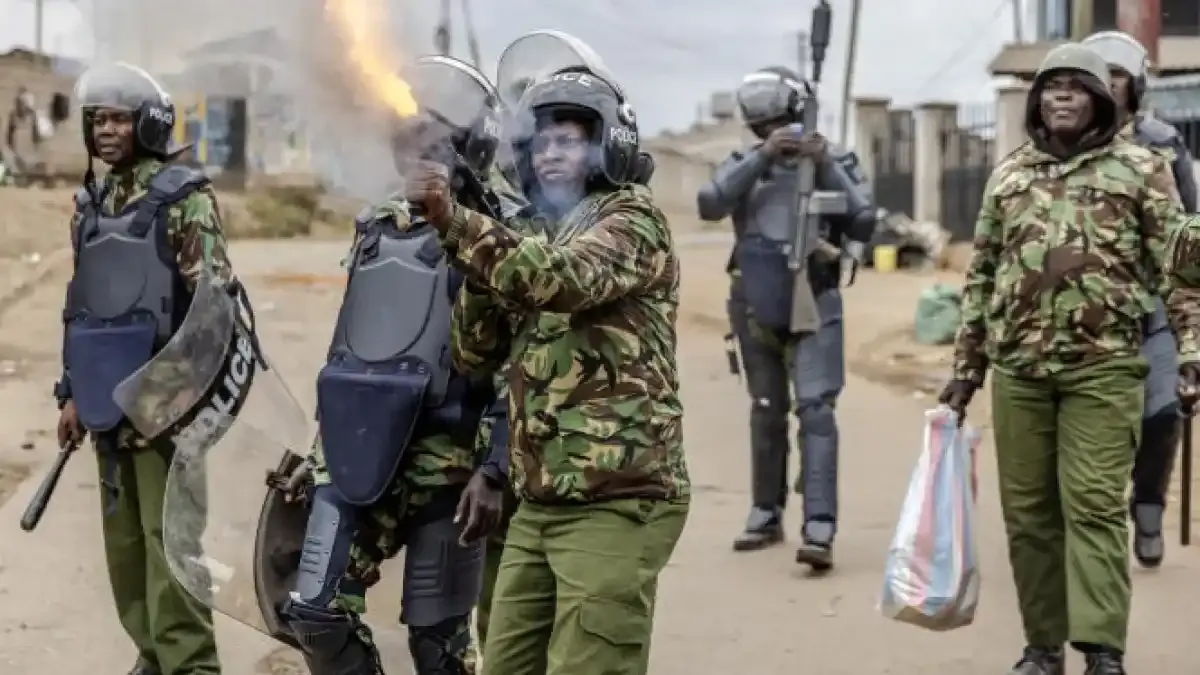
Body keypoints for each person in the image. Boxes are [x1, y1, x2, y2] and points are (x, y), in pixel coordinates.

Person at [402, 36, 690, 675]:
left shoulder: (632, 218)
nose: (551, 153)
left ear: (607, 143)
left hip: (617, 495)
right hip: (541, 499)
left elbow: (565, 278)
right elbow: (475, 348)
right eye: (540, 142)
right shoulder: (532, 230)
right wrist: (474, 243)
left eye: (569, 139)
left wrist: (460, 224)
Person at [939, 43, 1200, 675]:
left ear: (1102, 101)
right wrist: (965, 371)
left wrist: (1190, 350)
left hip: (1105, 367)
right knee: (1029, 517)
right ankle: (1042, 646)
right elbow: (981, 277)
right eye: (1050, 87)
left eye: (1076, 87)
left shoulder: (1141, 169)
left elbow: (1179, 270)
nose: (1061, 96)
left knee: (1093, 506)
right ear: (1035, 102)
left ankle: (1102, 648)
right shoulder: (1009, 176)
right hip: (1019, 373)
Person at [277, 55, 511, 675]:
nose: (416, 150)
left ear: (471, 142)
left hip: (451, 466)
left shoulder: (511, 229)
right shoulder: (378, 223)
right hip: (365, 452)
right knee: (315, 614)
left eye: (433, 136)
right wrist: (321, 449)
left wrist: (496, 467)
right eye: (407, 136)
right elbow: (354, 347)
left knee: (439, 647)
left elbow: (530, 362)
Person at [54, 62, 228, 675]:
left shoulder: (184, 199)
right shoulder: (92, 204)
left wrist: (172, 407)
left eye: (119, 119)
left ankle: (190, 667)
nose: (106, 131)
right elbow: (84, 308)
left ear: (147, 125)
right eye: (97, 119)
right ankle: (153, 659)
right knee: (126, 556)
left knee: (171, 554)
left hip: (164, 419)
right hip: (106, 411)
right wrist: (72, 394)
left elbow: (214, 314)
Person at [695, 66, 876, 568]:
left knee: (816, 411)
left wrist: (823, 163)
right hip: (755, 301)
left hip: (816, 301)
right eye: (763, 126)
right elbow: (710, 202)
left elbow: (863, 218)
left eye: (780, 123)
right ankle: (764, 511)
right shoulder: (745, 162)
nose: (774, 132)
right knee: (766, 408)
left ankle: (819, 527)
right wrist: (763, 156)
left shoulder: (835, 160)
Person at [1082, 29, 1198, 569]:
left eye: (1119, 75)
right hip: (1088, 307)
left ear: (1136, 85)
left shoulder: (1163, 141)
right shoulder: (1063, 142)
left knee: (1164, 410)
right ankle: (1091, 519)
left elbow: (1188, 230)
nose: (1108, 84)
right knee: (1097, 419)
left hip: (1154, 305)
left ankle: (1148, 508)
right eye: (1098, 74)